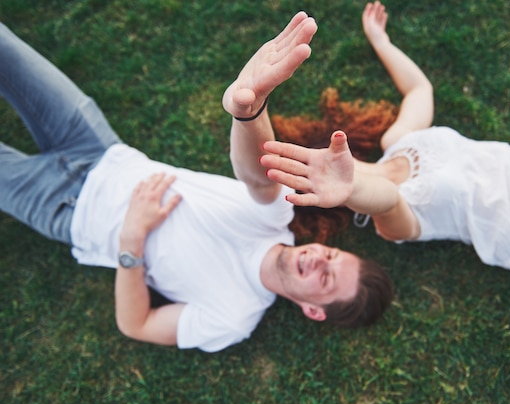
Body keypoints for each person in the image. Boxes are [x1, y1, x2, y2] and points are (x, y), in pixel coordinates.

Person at [0, 12, 393, 353]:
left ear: (312, 310)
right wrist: (248, 111)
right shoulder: (274, 220)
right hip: (101, 148)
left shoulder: (234, 318)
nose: (317, 260)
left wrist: (131, 239)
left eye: (325, 279)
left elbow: (137, 325)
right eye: (331, 257)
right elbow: (258, 175)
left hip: (66, 209)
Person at [260, 1, 510, 292]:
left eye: (315, 159)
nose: (324, 166)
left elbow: (420, 91)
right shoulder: (388, 223)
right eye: (310, 178)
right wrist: (350, 189)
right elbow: (387, 198)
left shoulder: (398, 141)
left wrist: (380, 41)